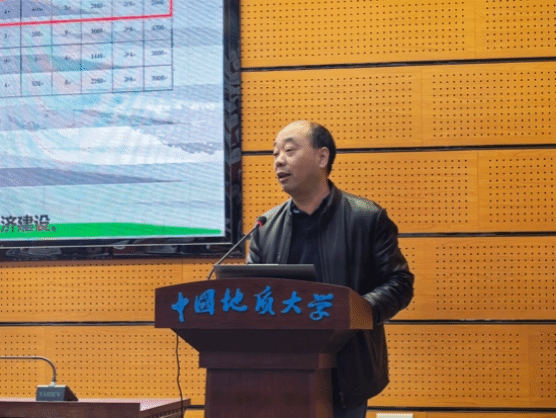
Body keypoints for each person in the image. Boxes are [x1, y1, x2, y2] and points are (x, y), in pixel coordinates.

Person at [247, 120, 414, 418]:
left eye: (289, 151)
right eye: (274, 154)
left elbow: (399, 283)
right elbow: (252, 294)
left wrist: (354, 312)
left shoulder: (366, 218)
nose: (279, 161)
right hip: (280, 375)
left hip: (347, 374)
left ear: (322, 157)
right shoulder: (265, 227)